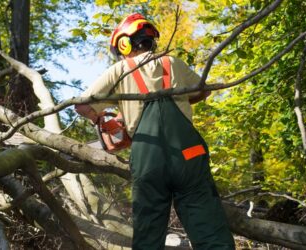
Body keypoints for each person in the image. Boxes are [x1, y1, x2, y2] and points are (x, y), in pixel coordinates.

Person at [75, 13, 235, 250]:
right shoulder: (173, 63)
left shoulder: (119, 70)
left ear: (124, 43)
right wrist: (179, 99)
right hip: (188, 154)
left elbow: (82, 105)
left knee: (148, 233)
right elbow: (203, 91)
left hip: (149, 158)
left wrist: (102, 119)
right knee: (209, 230)